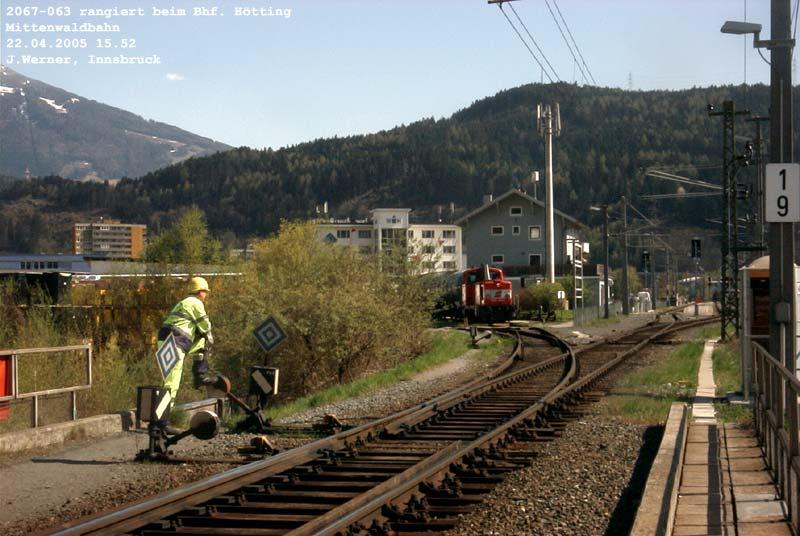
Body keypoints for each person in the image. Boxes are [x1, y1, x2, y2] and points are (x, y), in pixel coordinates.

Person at [156, 276, 214, 433]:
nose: (206, 295)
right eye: (205, 292)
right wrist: (210, 336)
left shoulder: (182, 303)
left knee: (167, 380)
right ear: (200, 292)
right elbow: (205, 325)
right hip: (175, 342)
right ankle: (162, 423)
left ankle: (199, 375)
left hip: (165, 340)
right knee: (171, 382)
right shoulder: (196, 303)